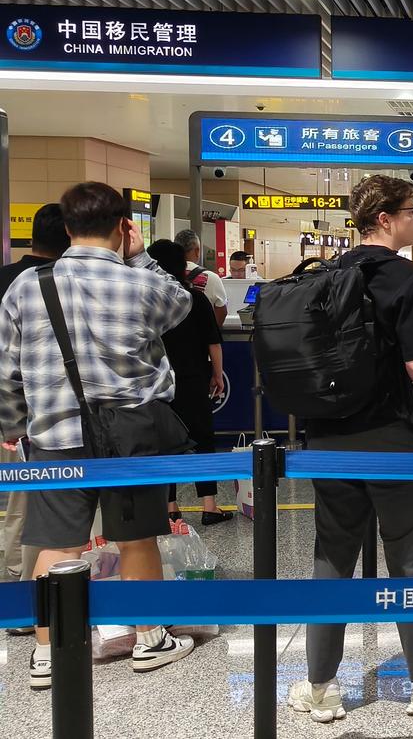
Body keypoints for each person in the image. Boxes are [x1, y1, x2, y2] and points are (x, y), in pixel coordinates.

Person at [287, 175, 413, 723]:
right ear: (385, 219)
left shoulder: (323, 274)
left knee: (331, 559)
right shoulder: (406, 278)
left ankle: (321, 688)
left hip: (328, 438)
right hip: (392, 438)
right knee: (409, 562)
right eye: (412, 211)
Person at [0, 182, 196, 688]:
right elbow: (182, 303)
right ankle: (150, 640)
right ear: (123, 225)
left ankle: (48, 654)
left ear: (67, 228)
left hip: (54, 436)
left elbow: (6, 371)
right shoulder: (142, 284)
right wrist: (142, 257)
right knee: (136, 539)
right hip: (130, 436)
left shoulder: (27, 287)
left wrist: (13, 427)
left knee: (56, 545)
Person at [0, 203, 69, 598]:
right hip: (48, 409)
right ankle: (40, 587)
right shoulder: (60, 282)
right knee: (48, 503)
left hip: (9, 410)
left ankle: (15, 578)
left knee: (18, 499)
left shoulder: (5, 278)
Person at [147, 240, 232, 526]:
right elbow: (213, 341)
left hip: (158, 382)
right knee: (203, 439)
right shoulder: (194, 298)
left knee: (163, 443)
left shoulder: (148, 301)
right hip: (194, 378)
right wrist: (217, 374)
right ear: (183, 266)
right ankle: (209, 506)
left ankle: (170, 507)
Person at [174, 229, 227, 326]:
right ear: (197, 251)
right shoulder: (211, 277)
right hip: (201, 333)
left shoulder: (164, 275)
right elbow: (221, 312)